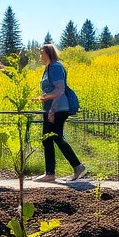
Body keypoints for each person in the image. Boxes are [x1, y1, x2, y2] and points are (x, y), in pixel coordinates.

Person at [32, 44, 88, 183]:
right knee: (49, 138)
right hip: (52, 108)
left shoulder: (55, 67)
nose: (40, 56)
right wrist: (42, 98)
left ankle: (76, 167)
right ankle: (52, 172)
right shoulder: (49, 68)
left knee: (54, 137)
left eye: (41, 53)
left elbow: (59, 90)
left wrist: (52, 109)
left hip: (57, 108)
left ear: (48, 53)